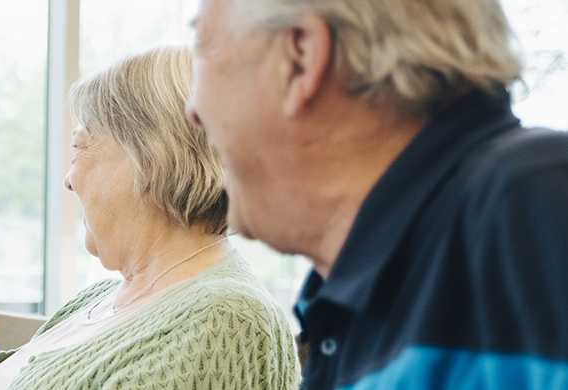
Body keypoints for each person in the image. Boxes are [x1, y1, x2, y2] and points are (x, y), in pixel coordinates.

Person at [187, 0, 568, 388]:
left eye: (203, 47)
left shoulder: (533, 211)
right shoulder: (359, 300)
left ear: (299, 58)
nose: (193, 111)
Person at [0, 47, 300, 390]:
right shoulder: (98, 297)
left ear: (147, 163)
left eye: (81, 147)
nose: (68, 179)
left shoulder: (228, 319)